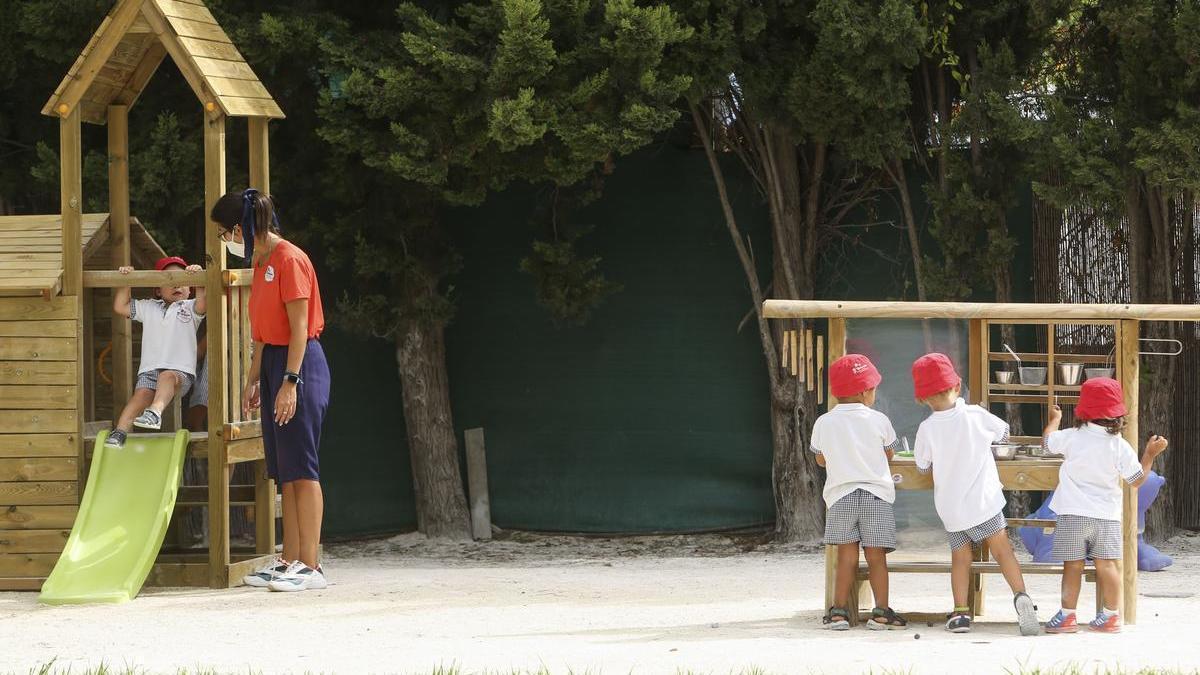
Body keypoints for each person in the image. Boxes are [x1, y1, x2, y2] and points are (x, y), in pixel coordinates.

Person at [211, 188, 331, 592]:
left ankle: (311, 566)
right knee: (286, 469)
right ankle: (290, 558)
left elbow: (299, 329)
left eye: (226, 233)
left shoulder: (289, 259)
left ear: (242, 226)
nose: (226, 241)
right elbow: (262, 334)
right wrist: (252, 379)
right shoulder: (260, 261)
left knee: (305, 466)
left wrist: (290, 383)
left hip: (301, 364)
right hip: (274, 364)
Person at [911, 353, 1039, 636]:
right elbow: (1003, 433)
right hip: (985, 502)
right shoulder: (975, 414)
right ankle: (1022, 597)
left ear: (923, 399)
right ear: (957, 386)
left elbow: (921, 465)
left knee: (960, 558)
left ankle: (960, 613)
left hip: (953, 508)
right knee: (1003, 551)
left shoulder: (927, 428)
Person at [1042, 378, 1168, 634]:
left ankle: (1067, 617)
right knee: (1108, 566)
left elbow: (1046, 444)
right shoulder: (1119, 446)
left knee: (1073, 565)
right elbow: (1136, 481)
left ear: (1082, 411)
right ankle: (1111, 616)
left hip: (1073, 514)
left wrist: (1054, 419)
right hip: (1107, 517)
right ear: (1118, 414)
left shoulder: (1071, 437)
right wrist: (1149, 454)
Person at [811, 354, 907, 631]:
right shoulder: (879, 420)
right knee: (876, 556)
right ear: (865, 391)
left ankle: (838, 612)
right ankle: (881, 613)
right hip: (875, 495)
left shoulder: (824, 422)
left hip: (841, 497)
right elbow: (890, 453)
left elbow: (820, 459)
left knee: (846, 557)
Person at [107, 257, 206, 448]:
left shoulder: (190, 308)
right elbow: (120, 306)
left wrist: (199, 276)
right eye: (169, 280)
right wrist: (126, 281)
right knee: (141, 394)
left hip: (180, 372)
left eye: (182, 280)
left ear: (189, 289)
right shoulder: (149, 307)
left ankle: (154, 412)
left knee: (167, 376)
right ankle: (120, 432)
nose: (176, 284)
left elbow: (203, 302)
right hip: (150, 369)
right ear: (158, 290)